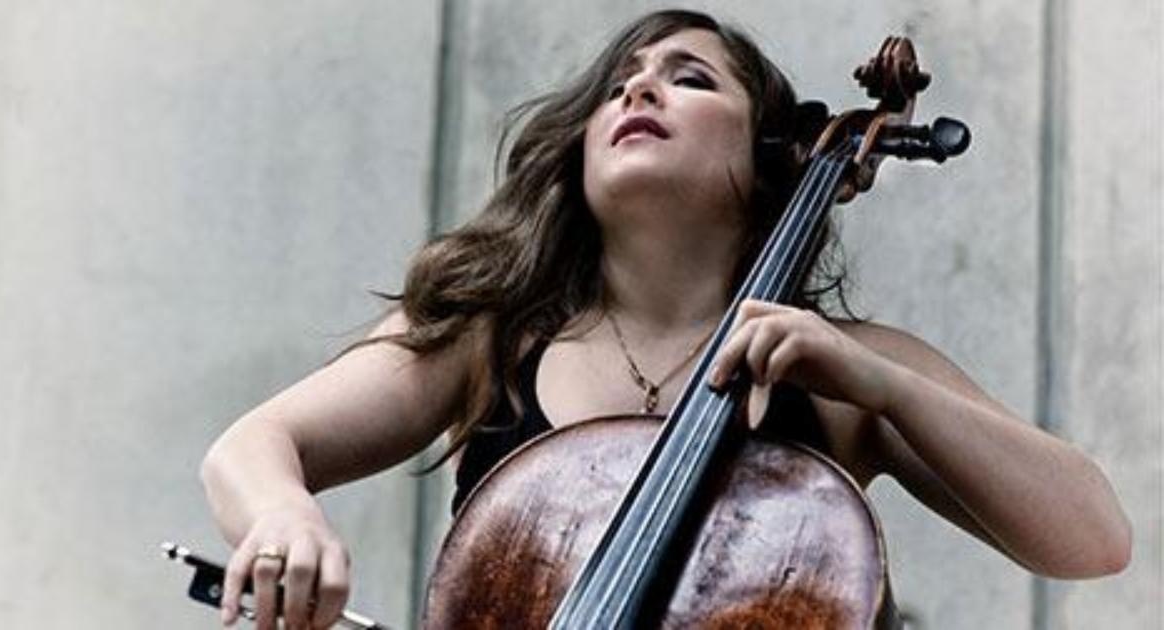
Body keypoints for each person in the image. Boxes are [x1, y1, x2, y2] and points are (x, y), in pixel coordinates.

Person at [200, 9, 1131, 629]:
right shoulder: (494, 331)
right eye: (618, 85)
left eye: (689, 78)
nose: (638, 92)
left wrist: (884, 387)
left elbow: (1091, 538)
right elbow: (252, 446)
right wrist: (284, 519)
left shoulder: (844, 375)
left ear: (773, 155)